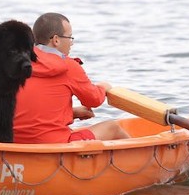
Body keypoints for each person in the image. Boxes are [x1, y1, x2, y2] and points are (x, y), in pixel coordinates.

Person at [13, 13, 130, 144]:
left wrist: (72, 113)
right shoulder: (68, 67)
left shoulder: (15, 64)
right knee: (112, 127)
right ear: (56, 40)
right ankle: (146, 162)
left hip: (13, 143)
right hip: (52, 145)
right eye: (70, 37)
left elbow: (30, 109)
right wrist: (104, 87)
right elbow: (93, 100)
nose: (71, 43)